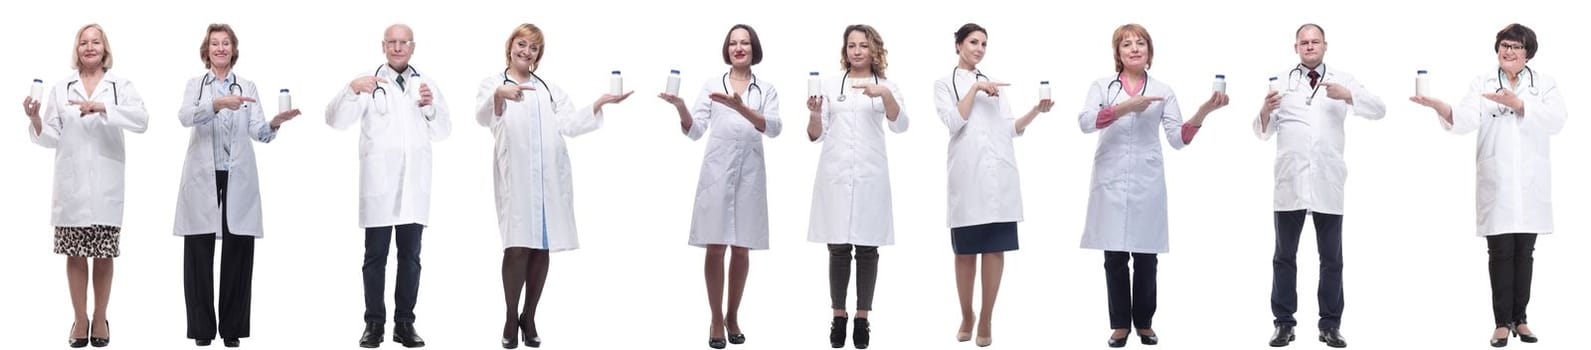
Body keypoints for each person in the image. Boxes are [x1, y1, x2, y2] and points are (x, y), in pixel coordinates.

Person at [475, 23, 633, 349]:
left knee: (540, 248)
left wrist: (599, 104)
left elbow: (570, 124)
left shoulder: (549, 90)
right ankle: (509, 316)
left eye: (533, 48)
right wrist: (498, 96)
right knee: (516, 246)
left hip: (548, 180)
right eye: (522, 44)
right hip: (516, 178)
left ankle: (529, 317)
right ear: (511, 46)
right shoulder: (493, 84)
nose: (526, 51)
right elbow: (483, 117)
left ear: (538, 55)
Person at [1408, 23, 1565, 348]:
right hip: (1498, 184)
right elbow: (1465, 118)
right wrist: (1441, 107)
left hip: (1530, 185)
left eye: (1516, 47)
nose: (1508, 51)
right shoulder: (1482, 83)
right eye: (1504, 45)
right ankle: (1500, 323)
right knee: (1500, 253)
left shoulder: (1545, 85)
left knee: (1525, 253)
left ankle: (1521, 319)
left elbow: (1557, 120)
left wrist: (1519, 104)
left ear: (1528, 53)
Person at [1075, 23, 1228, 348]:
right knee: (1114, 255)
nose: (1134, 48)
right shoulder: (1103, 86)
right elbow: (1086, 123)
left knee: (1146, 257)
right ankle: (1119, 325)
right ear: (1117, 53)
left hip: (1147, 181)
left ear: (1149, 51)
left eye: (1140, 43)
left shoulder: (1163, 89)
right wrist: (1125, 107)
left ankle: (1144, 323)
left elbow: (1178, 138)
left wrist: (1203, 111)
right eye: (1127, 44)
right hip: (1111, 179)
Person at [1253, 23, 1385, 348]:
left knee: (1332, 259)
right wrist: (1265, 111)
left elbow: (1380, 110)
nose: (1309, 46)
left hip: (1328, 182)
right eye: (1303, 42)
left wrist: (1349, 96)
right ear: (1295, 47)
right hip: (1290, 183)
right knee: (1284, 257)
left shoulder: (1343, 80)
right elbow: (1261, 132)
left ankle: (1330, 325)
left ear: (1325, 45)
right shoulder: (1280, 82)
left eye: (1315, 41)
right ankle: (1284, 324)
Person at [173, 23, 303, 348]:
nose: (220, 49)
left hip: (237, 175)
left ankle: (232, 330)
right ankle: (202, 330)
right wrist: (217, 105)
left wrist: (275, 123)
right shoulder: (196, 85)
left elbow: (258, 130)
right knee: (198, 253)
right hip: (203, 175)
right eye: (215, 44)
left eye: (226, 43)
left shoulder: (248, 86)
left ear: (233, 49)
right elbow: (185, 116)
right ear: (207, 50)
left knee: (238, 252)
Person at [22, 23, 149, 349]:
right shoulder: (61, 87)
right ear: (76, 50)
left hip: (106, 184)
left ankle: (101, 317)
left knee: (104, 255)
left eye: (95, 42)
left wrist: (102, 106)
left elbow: (141, 120)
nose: (89, 47)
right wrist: (35, 120)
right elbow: (50, 136)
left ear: (105, 48)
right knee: (75, 254)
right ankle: (80, 319)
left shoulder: (120, 86)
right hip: (73, 185)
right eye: (83, 43)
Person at [325, 23, 452, 349]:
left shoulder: (426, 83)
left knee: (411, 257)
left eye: (403, 42)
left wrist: (430, 108)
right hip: (379, 186)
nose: (397, 47)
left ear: (412, 47)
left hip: (414, 187)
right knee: (375, 257)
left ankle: (405, 324)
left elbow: (443, 131)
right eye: (391, 42)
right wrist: (352, 89)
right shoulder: (369, 82)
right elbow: (335, 121)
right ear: (383, 46)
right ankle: (374, 324)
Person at [657, 24, 782, 349]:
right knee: (715, 247)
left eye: (744, 43)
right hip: (716, 174)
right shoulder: (712, 85)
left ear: (754, 48)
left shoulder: (765, 89)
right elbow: (696, 130)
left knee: (741, 249)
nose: (738, 48)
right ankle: (715, 318)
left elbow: (774, 128)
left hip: (750, 176)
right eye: (733, 43)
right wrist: (680, 106)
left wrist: (741, 107)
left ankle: (733, 315)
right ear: (726, 49)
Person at [932, 23, 1052, 348]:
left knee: (995, 248)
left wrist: (1035, 112)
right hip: (967, 177)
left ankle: (986, 316)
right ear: (958, 45)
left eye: (984, 43)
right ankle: (967, 314)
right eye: (973, 42)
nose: (979, 48)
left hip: (999, 177)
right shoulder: (944, 84)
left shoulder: (998, 86)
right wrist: (975, 89)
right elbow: (954, 122)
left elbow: (1010, 128)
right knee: (966, 251)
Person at [804, 24, 907, 350]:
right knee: (837, 248)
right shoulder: (832, 85)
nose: (857, 51)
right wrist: (815, 114)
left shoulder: (886, 85)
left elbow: (900, 125)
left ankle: (862, 318)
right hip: (835, 175)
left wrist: (886, 95)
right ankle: (839, 316)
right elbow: (815, 135)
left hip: (870, 177)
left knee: (866, 249)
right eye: (852, 45)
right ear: (845, 50)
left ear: (875, 49)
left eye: (863, 45)